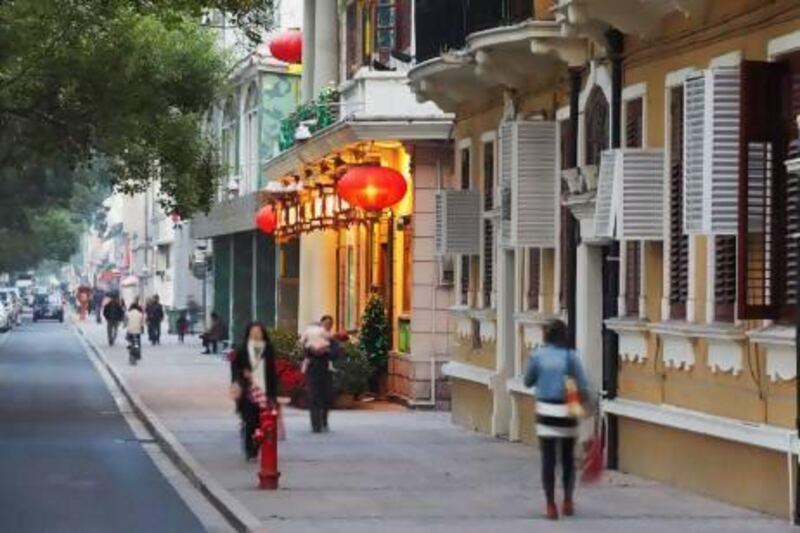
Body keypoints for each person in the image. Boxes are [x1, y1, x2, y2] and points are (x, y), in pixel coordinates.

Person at [523, 319, 590, 521]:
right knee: (568, 459)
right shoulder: (572, 357)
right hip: (567, 412)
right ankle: (568, 500)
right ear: (564, 337)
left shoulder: (537, 356)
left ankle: (551, 505)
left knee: (548, 460)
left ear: (546, 336)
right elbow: (583, 387)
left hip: (545, 412)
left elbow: (527, 382)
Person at [229, 322, 277, 460]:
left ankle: (257, 446)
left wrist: (273, 394)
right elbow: (235, 367)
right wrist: (240, 376)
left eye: (259, 332)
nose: (256, 334)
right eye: (253, 331)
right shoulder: (242, 348)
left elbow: (272, 372)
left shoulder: (268, 349)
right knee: (249, 420)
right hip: (247, 389)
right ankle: (249, 448)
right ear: (249, 333)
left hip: (264, 389)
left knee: (261, 422)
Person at [301, 322, 335, 433]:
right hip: (313, 370)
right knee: (314, 397)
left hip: (327, 370)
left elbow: (337, 353)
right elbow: (303, 353)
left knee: (326, 397)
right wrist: (311, 350)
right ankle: (316, 424)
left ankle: (323, 420)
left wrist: (327, 351)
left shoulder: (330, 339)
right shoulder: (307, 338)